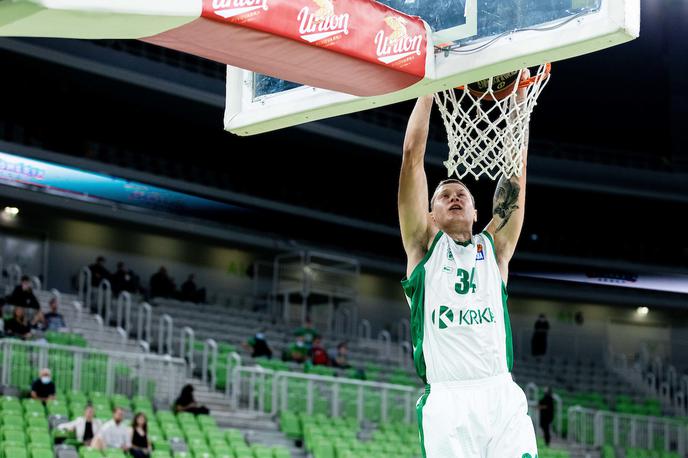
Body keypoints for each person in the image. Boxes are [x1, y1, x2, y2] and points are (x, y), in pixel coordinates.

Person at [399, 86, 537, 457]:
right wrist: (428, 88)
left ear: (478, 213)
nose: (455, 197)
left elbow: (515, 180)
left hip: (500, 394)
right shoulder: (423, 248)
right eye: (444, 195)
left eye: (462, 195)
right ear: (430, 215)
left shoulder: (495, 250)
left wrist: (518, 109)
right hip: (449, 400)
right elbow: (412, 158)